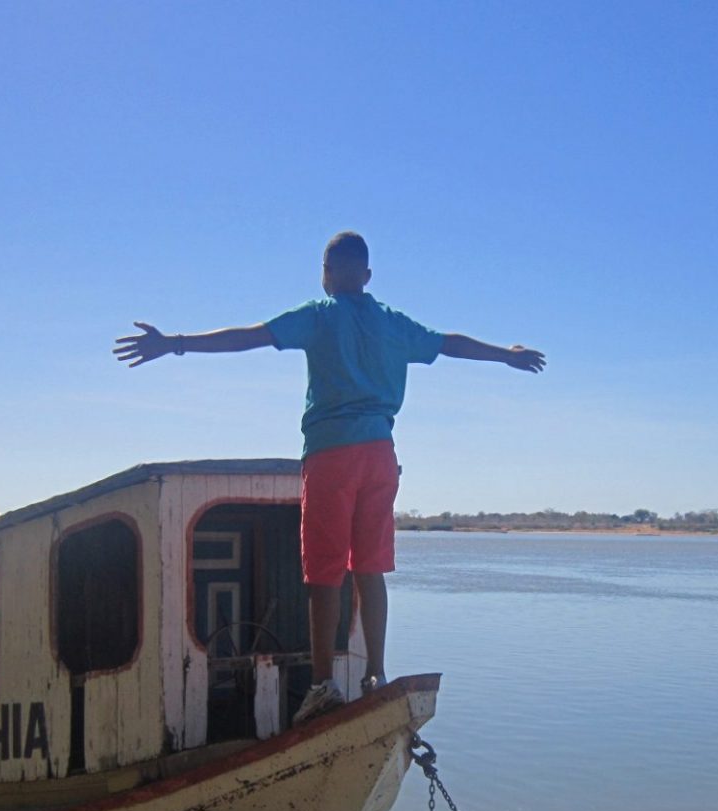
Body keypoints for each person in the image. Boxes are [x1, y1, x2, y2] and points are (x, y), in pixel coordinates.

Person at [113, 231, 544, 722]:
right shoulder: (393, 323)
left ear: (326, 273)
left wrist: (176, 344)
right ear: (365, 275)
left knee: (324, 574)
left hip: (332, 454)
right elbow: (449, 344)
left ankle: (321, 686)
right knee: (370, 568)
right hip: (381, 455)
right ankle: (374, 674)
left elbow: (249, 336)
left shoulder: (318, 316)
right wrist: (506, 355)